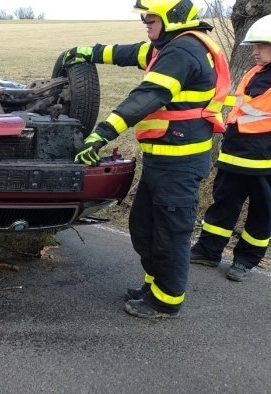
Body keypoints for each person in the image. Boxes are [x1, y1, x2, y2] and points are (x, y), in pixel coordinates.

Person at [62, 0, 230, 318]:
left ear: (172, 17)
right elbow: (130, 52)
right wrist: (89, 51)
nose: (146, 23)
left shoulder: (183, 53)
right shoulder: (168, 46)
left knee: (170, 232)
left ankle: (166, 300)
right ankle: (153, 285)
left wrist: (100, 136)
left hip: (179, 163)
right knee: (144, 227)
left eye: (150, 17)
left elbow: (146, 97)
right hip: (162, 160)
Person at [190, 15, 271, 282]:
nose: (255, 52)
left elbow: (252, 113)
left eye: (261, 46)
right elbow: (239, 107)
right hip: (235, 156)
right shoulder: (255, 72)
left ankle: (245, 261)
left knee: (262, 215)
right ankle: (208, 251)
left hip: (264, 164)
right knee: (222, 206)